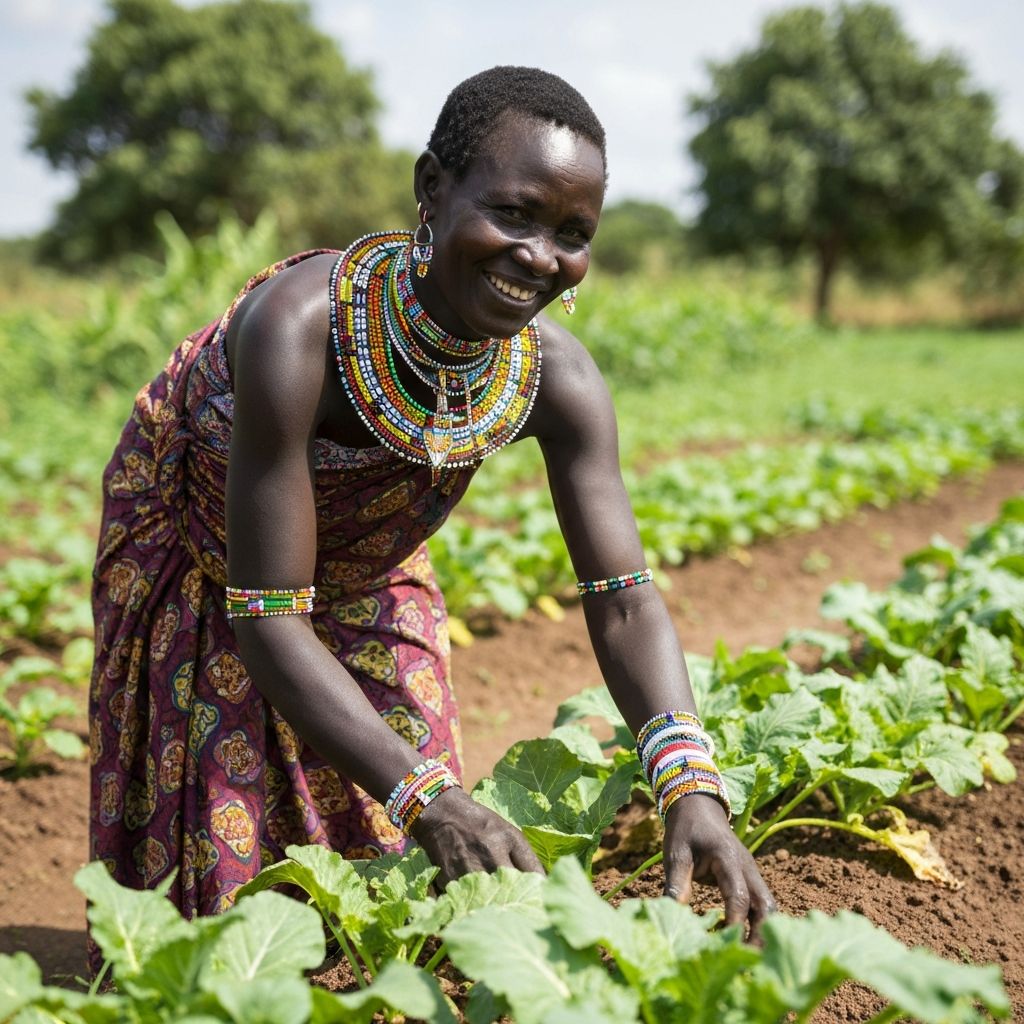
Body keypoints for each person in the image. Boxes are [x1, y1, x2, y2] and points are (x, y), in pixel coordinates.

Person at [89, 65, 776, 938]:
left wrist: (691, 787)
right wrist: (430, 799)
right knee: (227, 885)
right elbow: (265, 614)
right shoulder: (301, 329)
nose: (539, 257)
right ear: (432, 188)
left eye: (573, 232)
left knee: (414, 847)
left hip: (366, 562)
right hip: (204, 544)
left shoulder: (554, 380)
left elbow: (626, 601)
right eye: (514, 213)